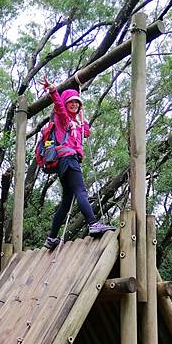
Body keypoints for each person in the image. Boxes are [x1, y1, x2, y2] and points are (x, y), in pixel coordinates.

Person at [38, 75, 115, 250]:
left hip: (66, 162)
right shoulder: (63, 119)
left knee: (66, 202)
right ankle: (93, 223)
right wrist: (52, 90)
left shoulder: (76, 123)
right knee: (80, 190)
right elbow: (58, 105)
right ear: (66, 104)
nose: (74, 105)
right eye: (71, 102)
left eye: (77, 103)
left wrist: (82, 118)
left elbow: (85, 133)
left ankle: (51, 237)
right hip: (68, 159)